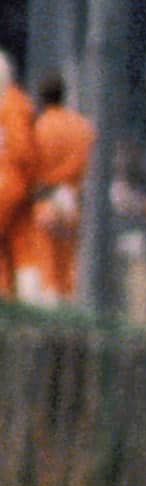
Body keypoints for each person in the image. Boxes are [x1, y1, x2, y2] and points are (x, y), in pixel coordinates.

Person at [15, 75, 96, 305]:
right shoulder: (82, 127)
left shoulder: (39, 128)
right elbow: (87, 160)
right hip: (71, 201)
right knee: (68, 269)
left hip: (45, 201)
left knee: (46, 270)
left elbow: (30, 165)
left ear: (41, 98)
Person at [0, 52, 39, 301]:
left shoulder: (12, 105)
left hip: (9, 181)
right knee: (19, 246)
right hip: (15, 182)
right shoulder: (13, 103)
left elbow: (22, 151)